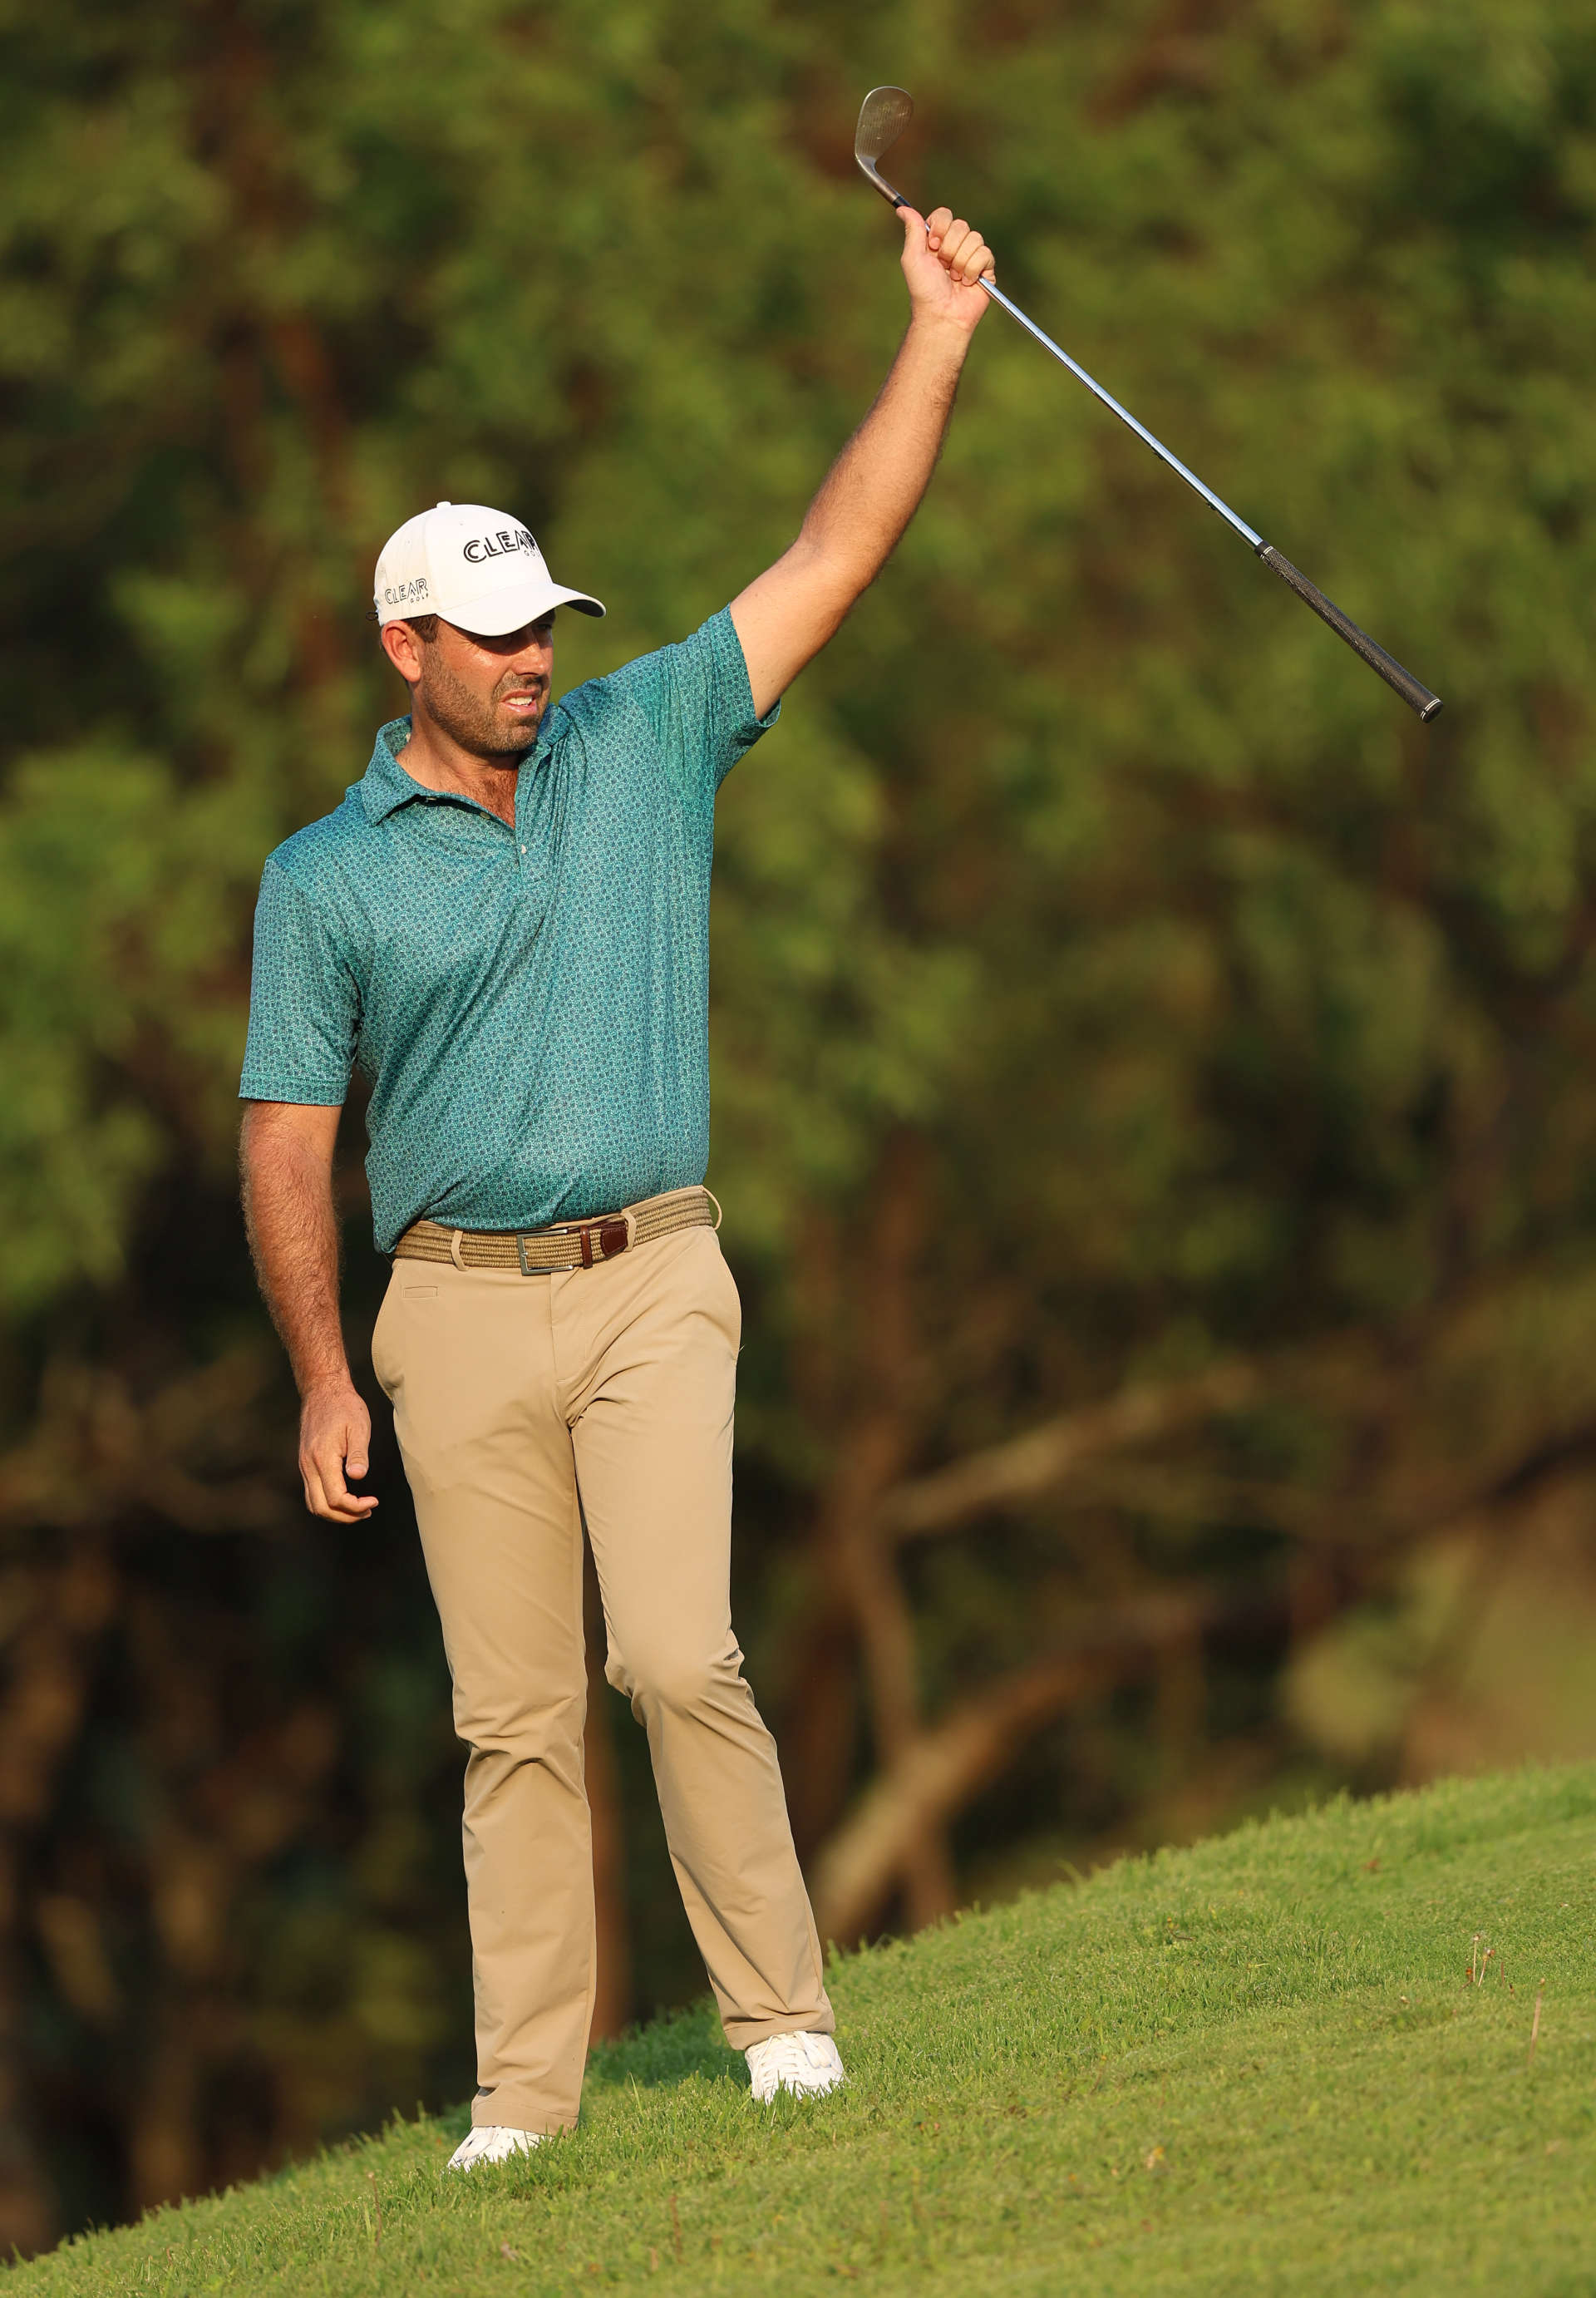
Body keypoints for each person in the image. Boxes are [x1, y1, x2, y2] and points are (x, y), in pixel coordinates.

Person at [238, 200, 995, 2166]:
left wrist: (933, 337)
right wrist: (325, 1367)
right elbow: (287, 1131)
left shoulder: (644, 734)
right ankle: (528, 2101)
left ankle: (782, 2023)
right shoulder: (323, 880)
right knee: (514, 1722)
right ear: (402, 645)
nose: (525, 664)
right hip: (453, 1308)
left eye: (541, 628)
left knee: (677, 1652)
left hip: (656, 1268)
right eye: (488, 638)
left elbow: (837, 550)